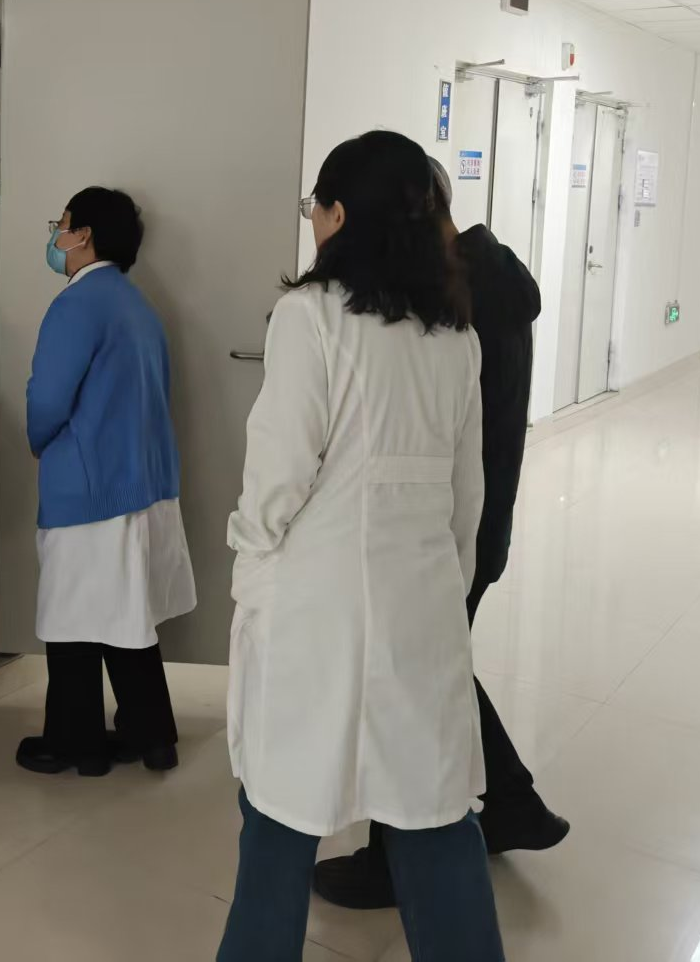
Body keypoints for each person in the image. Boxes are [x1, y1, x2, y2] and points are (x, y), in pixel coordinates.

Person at [219, 132, 504, 962]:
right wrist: (443, 587)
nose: (311, 221)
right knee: (433, 818)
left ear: (339, 214)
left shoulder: (310, 318)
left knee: (279, 818)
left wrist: (251, 557)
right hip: (422, 609)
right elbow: (468, 499)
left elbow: (276, 477)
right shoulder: (456, 336)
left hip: (316, 610)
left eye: (315, 207)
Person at [314, 156, 568, 911]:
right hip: (477, 519)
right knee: (434, 669)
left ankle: (395, 861)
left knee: (409, 683)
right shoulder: (489, 280)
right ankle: (512, 802)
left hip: (449, 525)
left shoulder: (458, 298)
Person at [15, 188, 196, 779]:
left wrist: (37, 438)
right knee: (126, 618)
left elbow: (48, 397)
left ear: (84, 235)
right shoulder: (137, 306)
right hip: (142, 483)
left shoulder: (76, 304)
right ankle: (152, 737)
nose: (56, 236)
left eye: (61, 224)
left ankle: (76, 745)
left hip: (89, 489)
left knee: (72, 620)